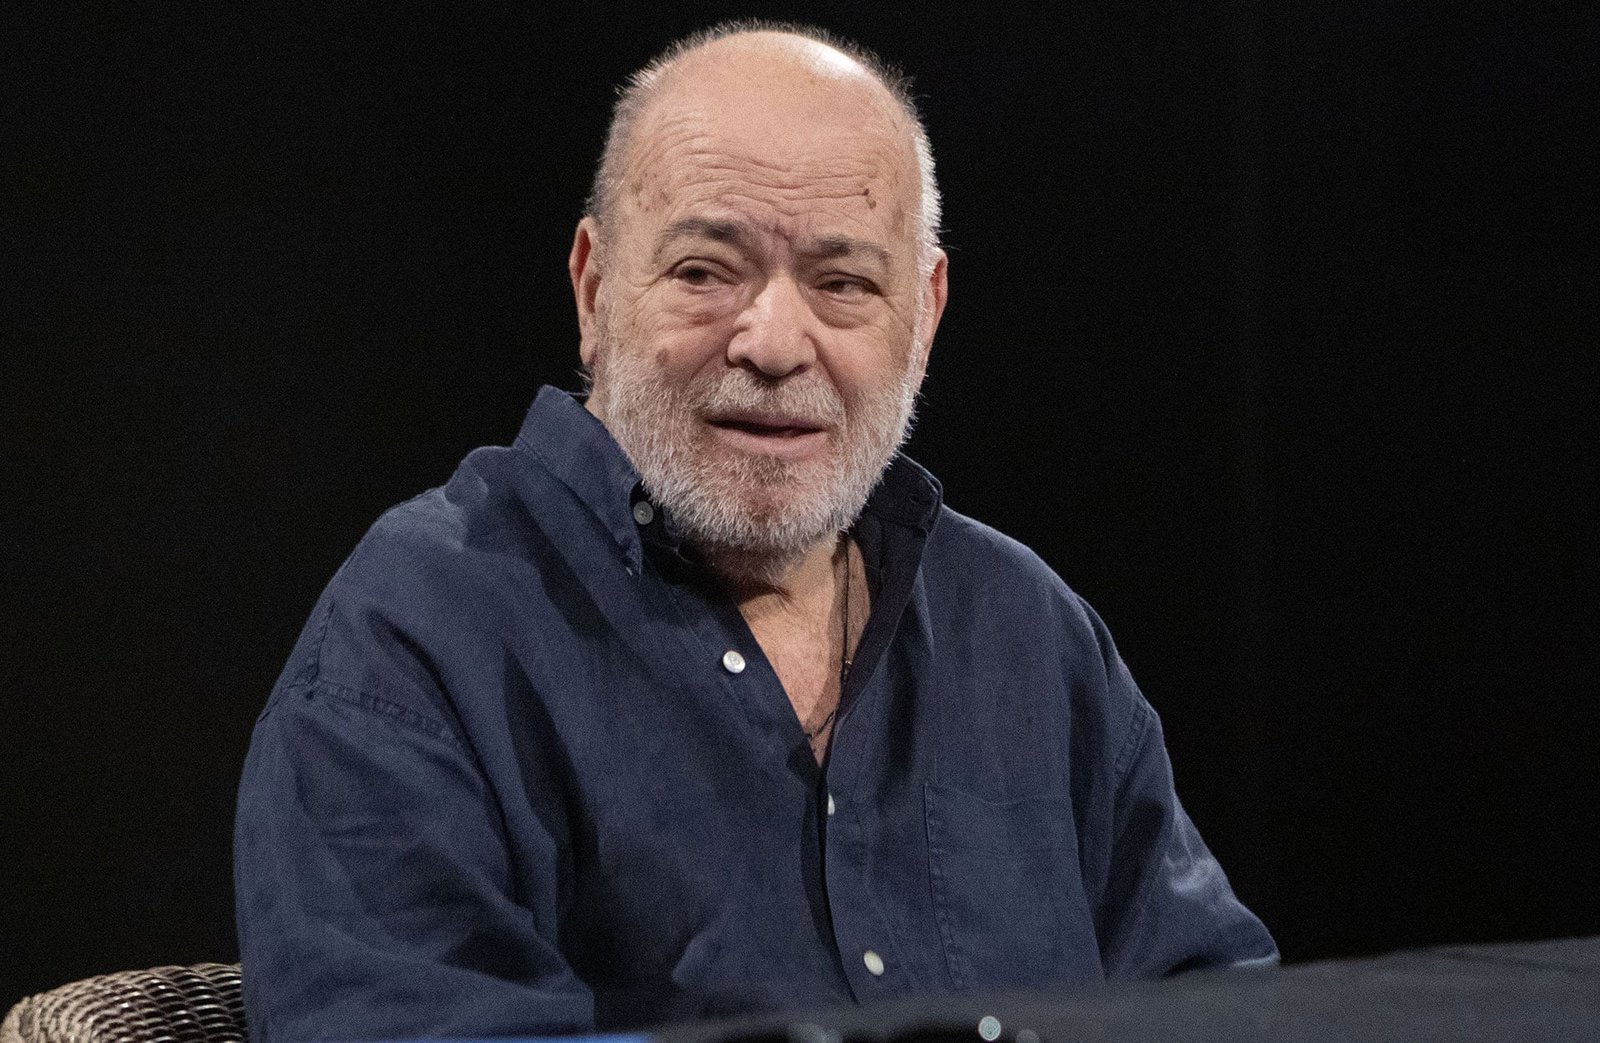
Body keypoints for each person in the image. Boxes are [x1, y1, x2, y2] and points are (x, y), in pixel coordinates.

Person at [233, 22, 1277, 1041]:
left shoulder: (1027, 633)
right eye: (704, 270)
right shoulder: (418, 632)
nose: (775, 343)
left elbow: (1218, 1005)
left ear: (923, 315)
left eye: (843, 283)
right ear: (594, 288)